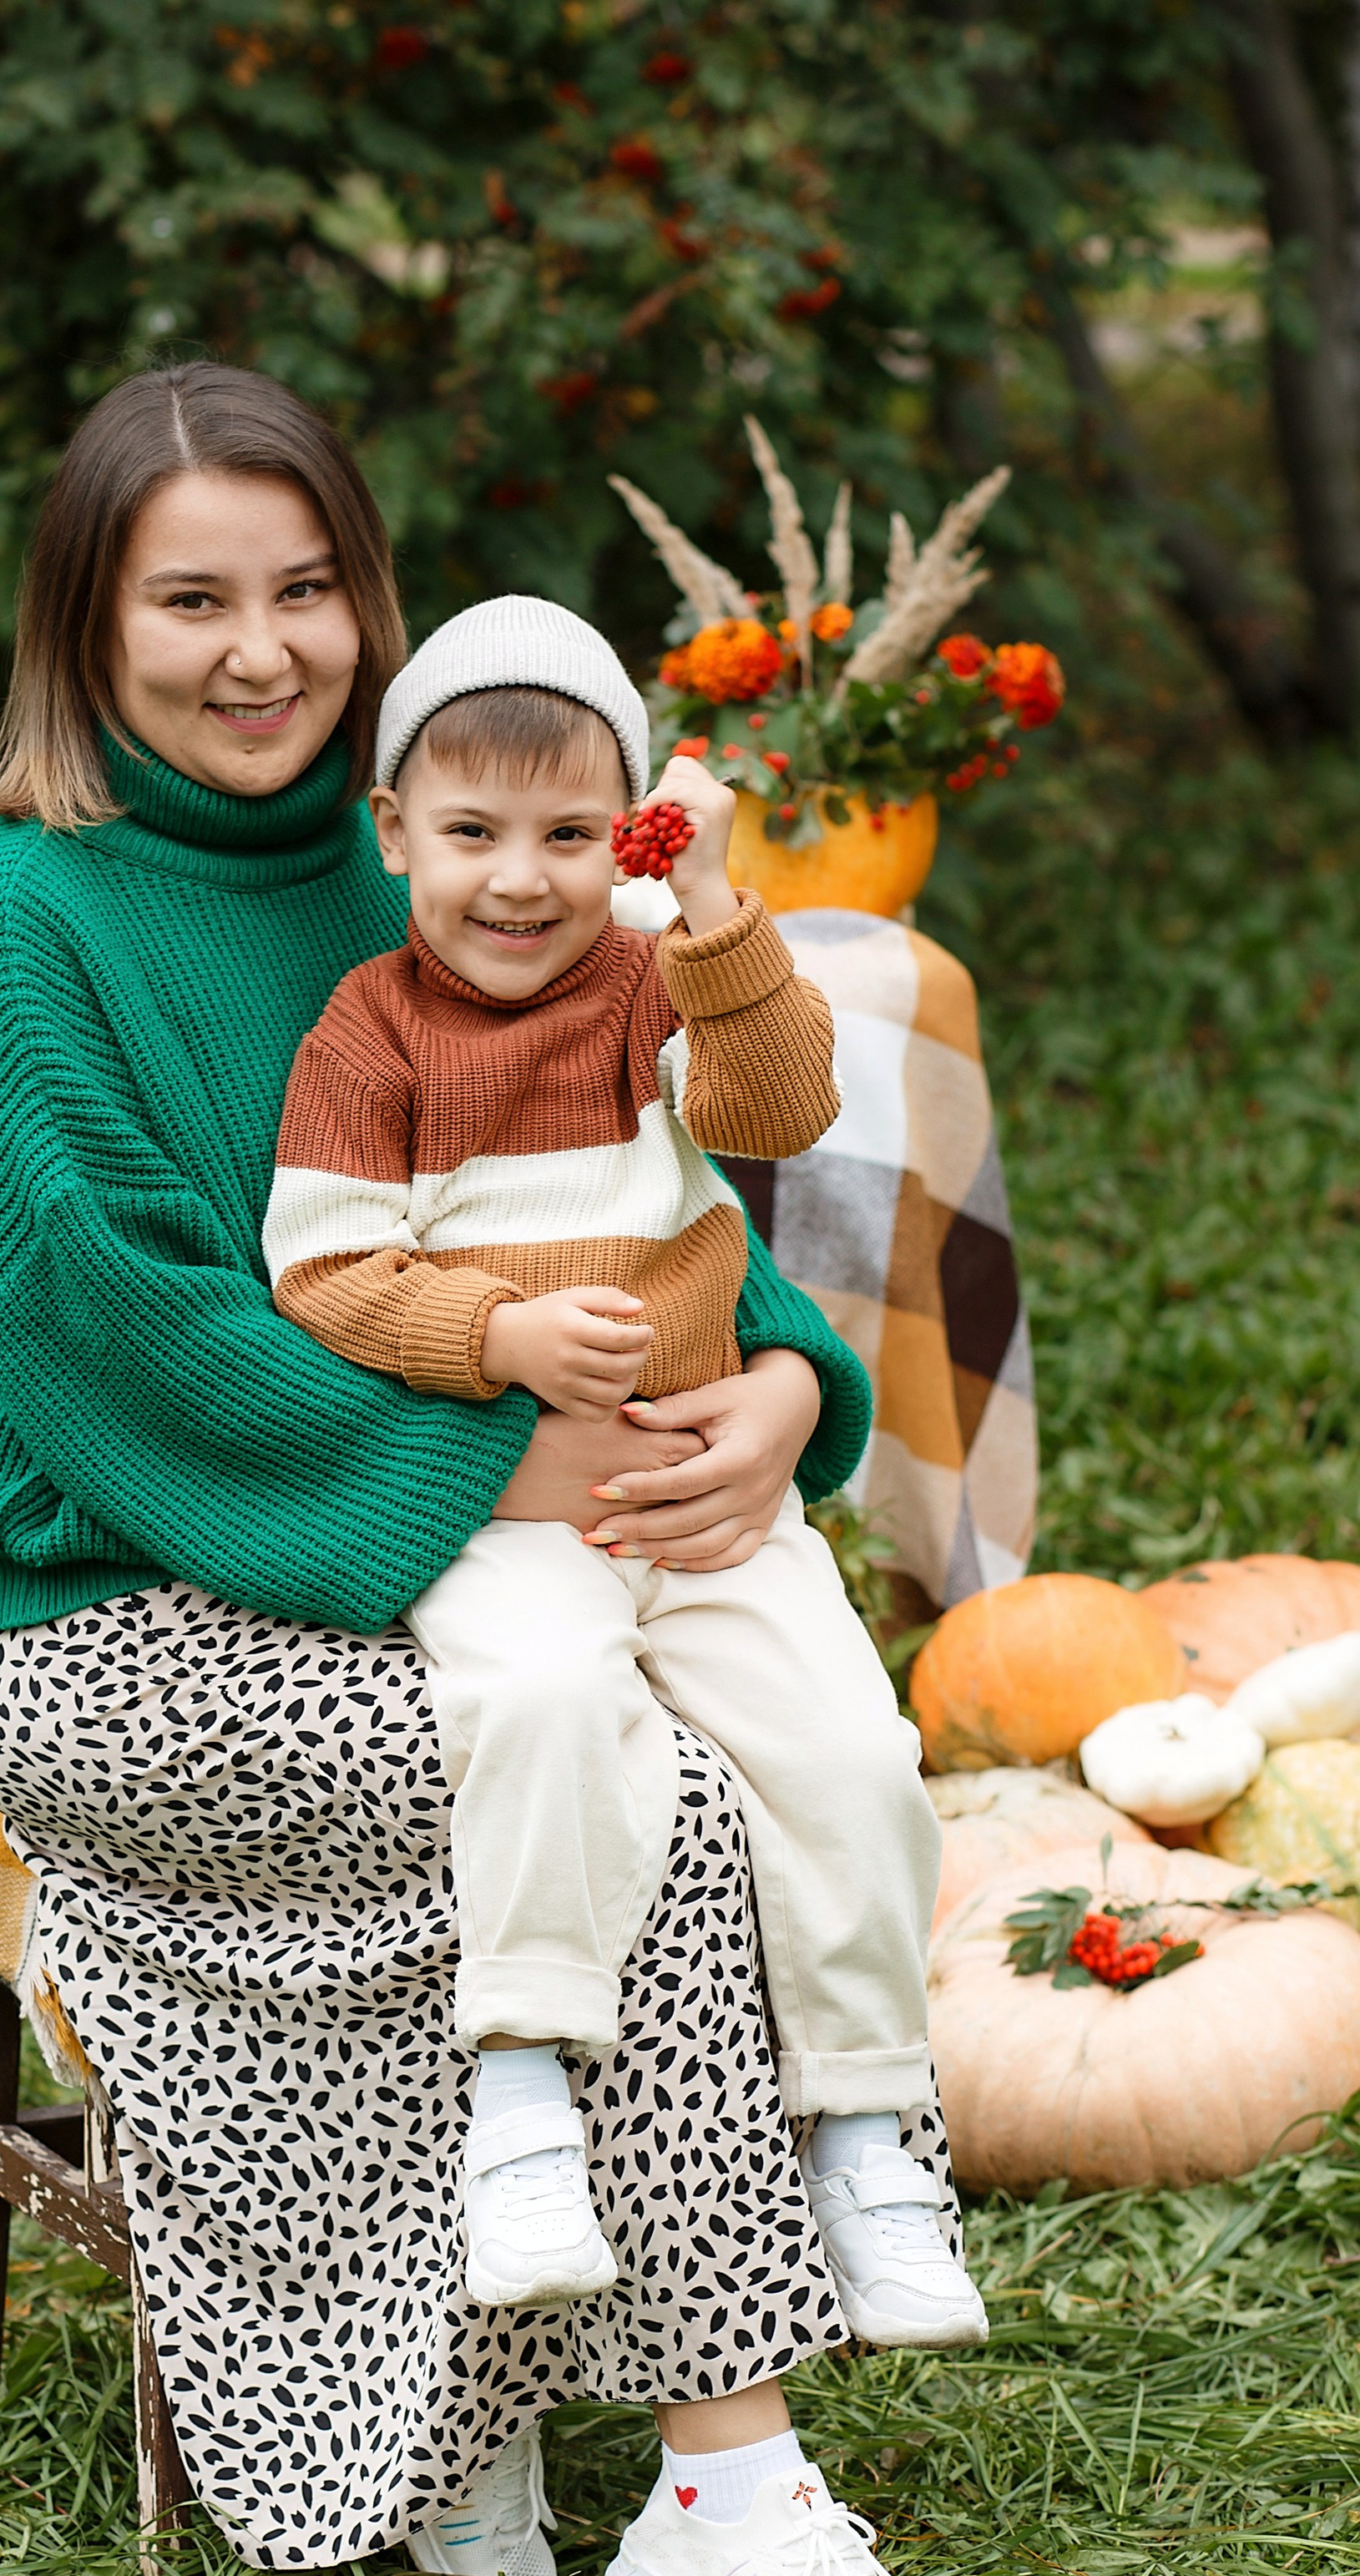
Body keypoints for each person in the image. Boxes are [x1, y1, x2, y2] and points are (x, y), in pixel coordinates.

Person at [0, 359, 952, 2576]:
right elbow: (104, 1334)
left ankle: (531, 2407)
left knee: (725, 1718)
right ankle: (729, 2482)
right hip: (108, 1608)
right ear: (86, 624)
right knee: (629, 1789)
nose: (254, 648)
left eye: (303, 590)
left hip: (438, 1534)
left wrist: (784, 1383)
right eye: (189, 599)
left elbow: (633, 1206)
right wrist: (512, 1460)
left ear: (372, 615)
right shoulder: (10, 923)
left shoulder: (459, 862)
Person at [264, 597, 988, 2353]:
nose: (520, 882)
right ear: (391, 836)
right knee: (532, 1700)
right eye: (470, 836)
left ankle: (864, 2128)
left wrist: (720, 905)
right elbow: (325, 1272)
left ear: (626, 845)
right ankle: (520, 2095)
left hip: (699, 1495)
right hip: (512, 1500)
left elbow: (774, 1105)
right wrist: (490, 1340)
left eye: (570, 838)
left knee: (843, 1745)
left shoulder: (646, 982)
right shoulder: (364, 1042)